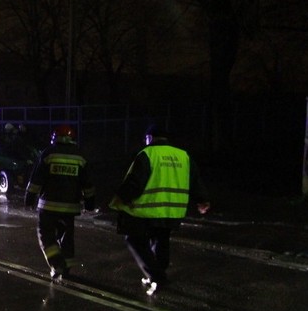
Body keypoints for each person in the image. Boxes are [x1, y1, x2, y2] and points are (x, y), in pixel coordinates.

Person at [109, 124, 210, 295]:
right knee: (161, 240)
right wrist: (202, 200)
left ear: (149, 138)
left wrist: (122, 198)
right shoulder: (183, 156)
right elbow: (195, 179)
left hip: (147, 209)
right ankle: (157, 275)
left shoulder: (147, 154)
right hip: (172, 210)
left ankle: (156, 276)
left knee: (135, 240)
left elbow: (135, 181)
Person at [24, 124, 96, 280]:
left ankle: (57, 264)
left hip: (48, 206)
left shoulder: (48, 153)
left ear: (55, 138)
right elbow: (88, 183)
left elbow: (36, 179)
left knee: (46, 235)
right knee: (67, 237)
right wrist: (90, 202)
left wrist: (29, 198)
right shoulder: (80, 156)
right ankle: (67, 267)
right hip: (70, 208)